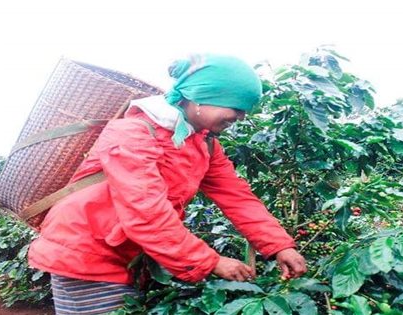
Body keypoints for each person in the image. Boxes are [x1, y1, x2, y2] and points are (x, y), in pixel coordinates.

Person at [28, 54, 307, 314]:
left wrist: (280, 246)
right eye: (236, 106)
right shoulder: (132, 134)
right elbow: (145, 212)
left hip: (129, 257)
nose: (241, 117)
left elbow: (237, 197)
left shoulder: (204, 143)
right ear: (201, 97)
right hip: (84, 255)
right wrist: (210, 261)